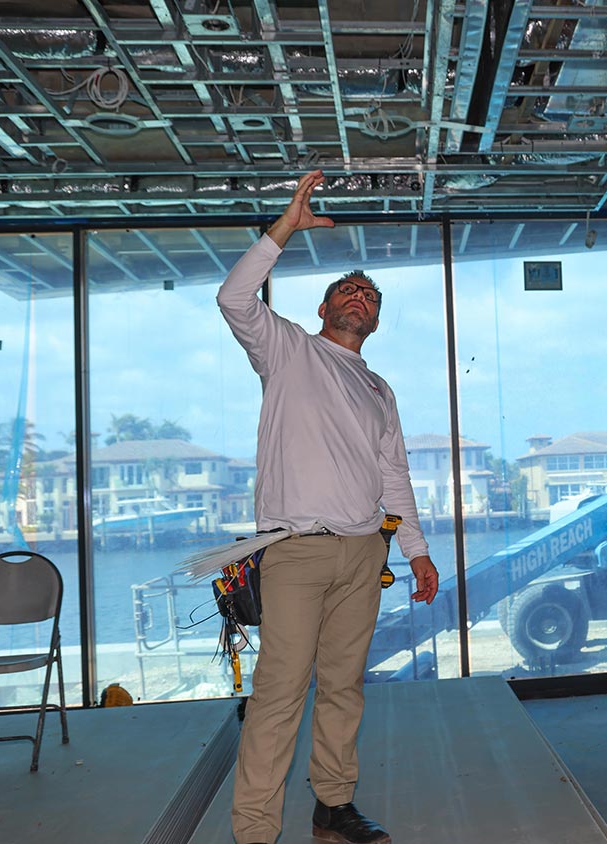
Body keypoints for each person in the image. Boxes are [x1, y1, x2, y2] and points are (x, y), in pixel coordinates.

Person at [219, 170, 438, 844]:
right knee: (280, 691)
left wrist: (417, 551)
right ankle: (255, 830)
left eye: (369, 295)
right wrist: (286, 226)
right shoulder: (287, 350)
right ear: (322, 308)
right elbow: (233, 297)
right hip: (295, 550)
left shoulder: (379, 389)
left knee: (344, 687)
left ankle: (333, 807)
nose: (359, 296)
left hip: (364, 552)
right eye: (348, 289)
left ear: (375, 320)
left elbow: (393, 475)